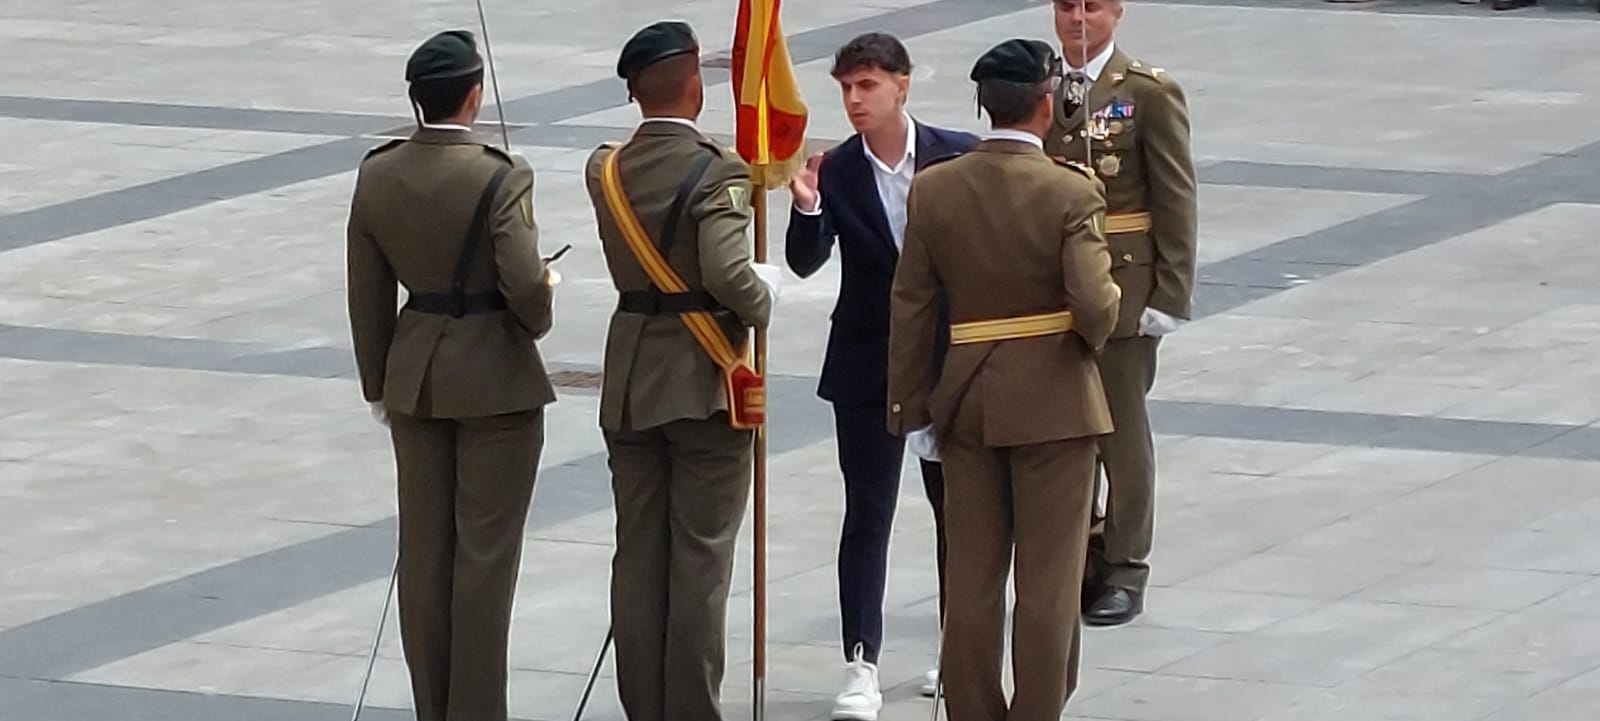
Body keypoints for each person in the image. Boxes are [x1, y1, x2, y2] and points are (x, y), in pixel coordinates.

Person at [887, 38, 1121, 721]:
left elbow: (911, 303)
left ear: (984, 105)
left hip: (964, 400)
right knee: (1049, 582)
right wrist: (1101, 318)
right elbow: (1094, 304)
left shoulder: (935, 187)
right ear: (1046, 105)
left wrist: (910, 406)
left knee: (971, 579)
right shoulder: (1070, 191)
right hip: (1055, 402)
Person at [345, 29, 558, 721]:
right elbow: (525, 287)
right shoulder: (500, 173)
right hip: (495, 379)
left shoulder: (377, 172)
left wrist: (379, 381)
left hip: (415, 379)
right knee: (485, 562)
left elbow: (367, 290)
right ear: (474, 96)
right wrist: (544, 294)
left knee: (425, 555)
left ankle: (432, 707)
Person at [582, 20, 783, 721]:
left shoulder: (603, 167)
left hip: (631, 381)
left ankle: (644, 705)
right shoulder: (717, 168)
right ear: (695, 84)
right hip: (703, 382)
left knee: (638, 556)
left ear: (635, 90)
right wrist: (765, 292)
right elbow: (730, 275)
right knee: (699, 560)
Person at [784, 32, 978, 719]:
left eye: (868, 85)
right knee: (868, 511)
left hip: (946, 359)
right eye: (846, 87)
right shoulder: (834, 168)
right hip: (867, 360)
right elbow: (805, 261)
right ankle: (861, 659)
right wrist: (806, 205)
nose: (855, 99)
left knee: (958, 510)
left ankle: (962, 649)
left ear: (903, 85)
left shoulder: (958, 153)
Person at [1047, 0, 1198, 626]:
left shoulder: (1145, 92)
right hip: (1052, 285)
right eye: (1065, 7)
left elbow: (1175, 193)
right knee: (1061, 427)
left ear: (1118, 13)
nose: (1078, 20)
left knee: (1120, 431)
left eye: (1092, 7)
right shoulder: (1042, 86)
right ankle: (1079, 552)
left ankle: (1127, 565)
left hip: (1123, 283)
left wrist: (1171, 294)